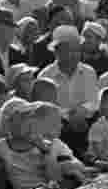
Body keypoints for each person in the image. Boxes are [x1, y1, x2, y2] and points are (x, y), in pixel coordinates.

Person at [0, 97, 87, 189]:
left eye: (26, 117)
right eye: (16, 119)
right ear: (6, 122)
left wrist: (46, 152)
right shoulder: (0, 147)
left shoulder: (53, 144)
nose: (24, 123)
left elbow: (64, 178)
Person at [37, 25, 100, 157]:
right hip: (58, 126)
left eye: (76, 50)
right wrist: (68, 116)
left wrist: (81, 111)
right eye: (68, 50)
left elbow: (94, 101)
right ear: (56, 52)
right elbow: (46, 107)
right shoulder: (45, 75)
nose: (74, 55)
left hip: (85, 121)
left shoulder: (89, 72)